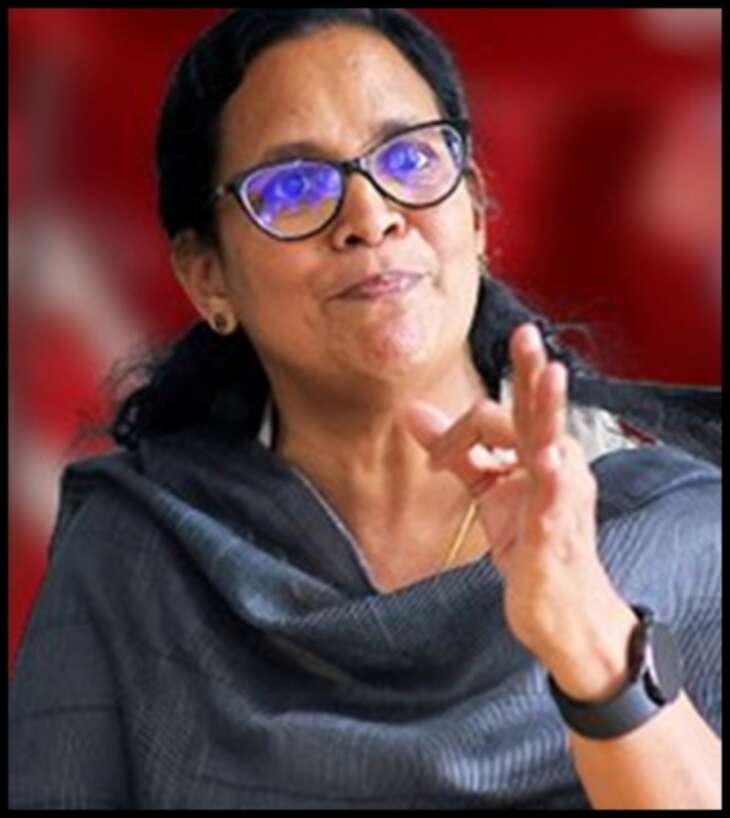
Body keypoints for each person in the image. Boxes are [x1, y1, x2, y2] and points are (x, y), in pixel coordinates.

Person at [9, 9, 721, 810]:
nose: (371, 216)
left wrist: (588, 631)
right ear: (207, 277)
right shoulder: (143, 556)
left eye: (410, 159)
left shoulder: (683, 535)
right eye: (292, 187)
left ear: (476, 212)